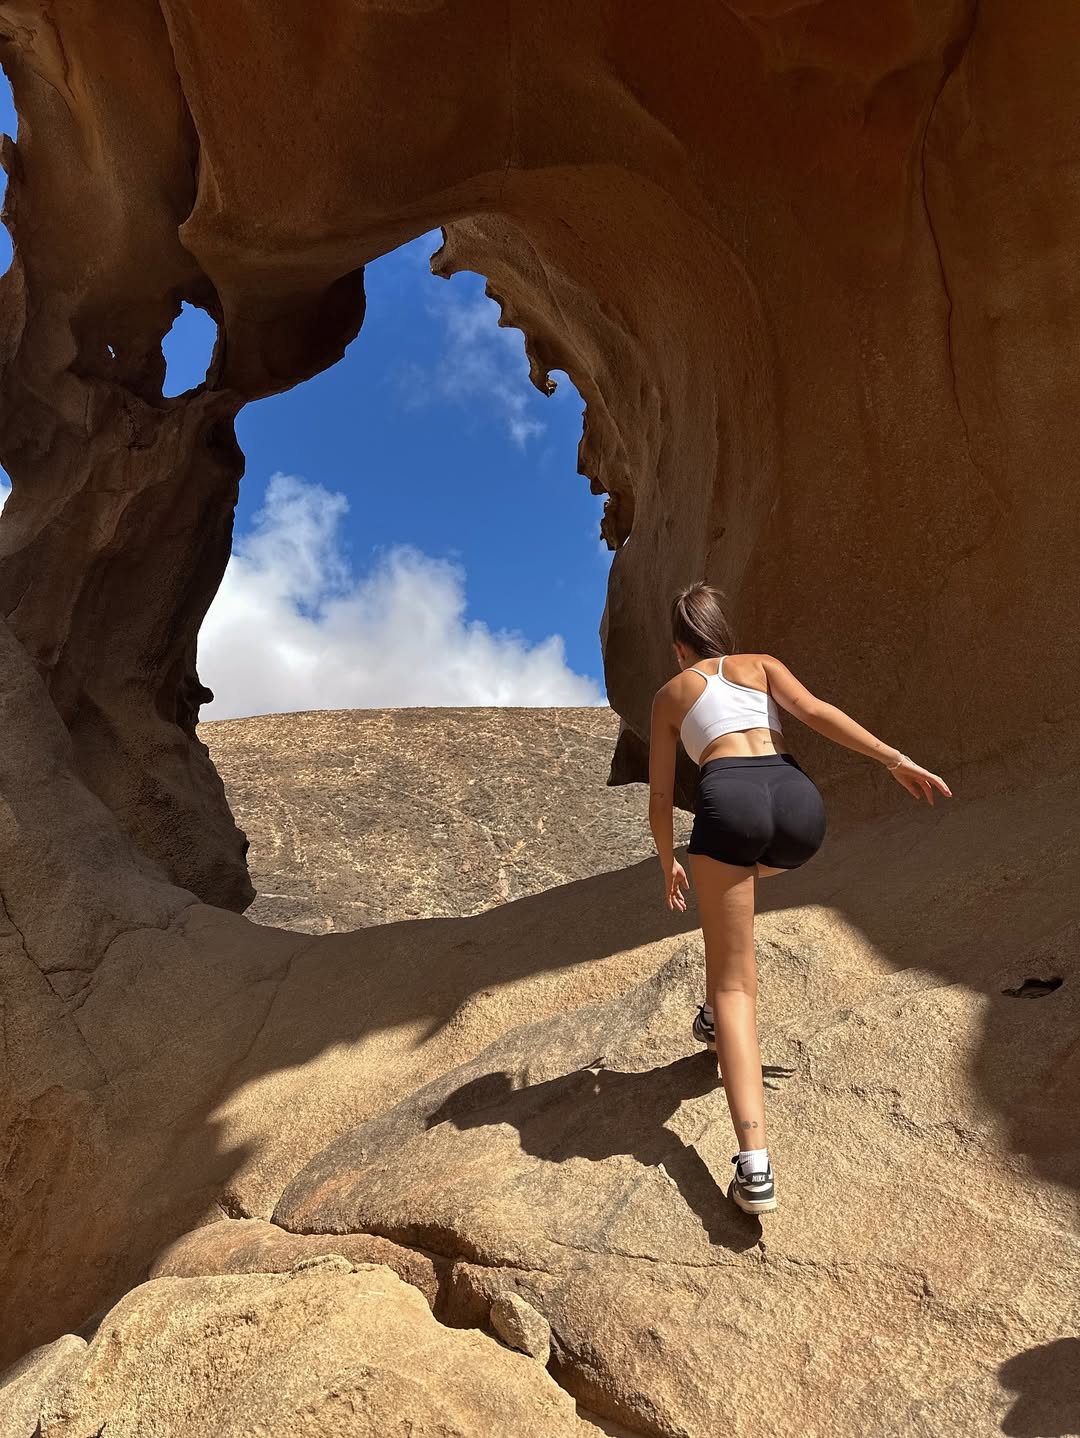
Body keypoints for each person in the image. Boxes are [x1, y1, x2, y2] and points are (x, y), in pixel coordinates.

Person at [648, 582, 951, 1215]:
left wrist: (668, 858)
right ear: (720, 634)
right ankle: (710, 1016)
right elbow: (815, 712)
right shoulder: (761, 665)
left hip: (728, 800)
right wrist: (894, 758)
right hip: (798, 808)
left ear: (681, 648)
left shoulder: (672, 694)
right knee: (743, 881)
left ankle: (754, 1168)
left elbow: (658, 797)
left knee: (735, 982)